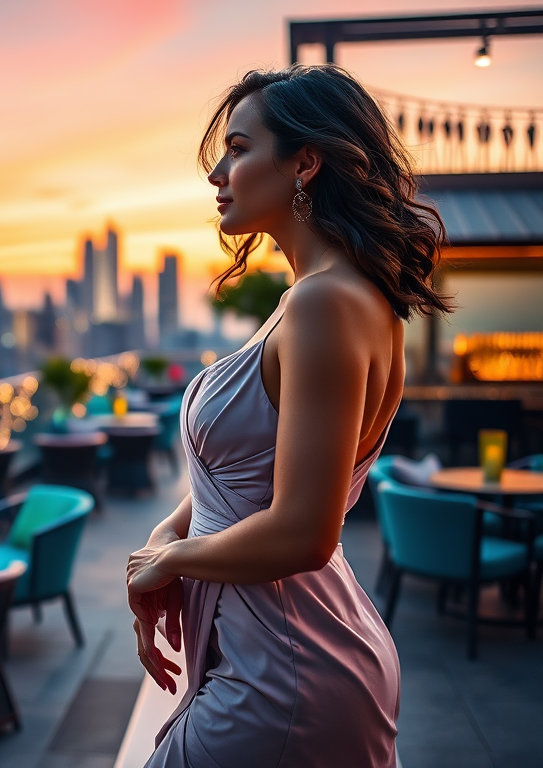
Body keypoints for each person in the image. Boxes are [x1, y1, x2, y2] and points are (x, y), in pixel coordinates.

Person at [125, 64, 452, 768]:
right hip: (285, 652)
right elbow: (241, 477)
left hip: (283, 675)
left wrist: (172, 562)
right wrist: (162, 539)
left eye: (239, 149)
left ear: (305, 162)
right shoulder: (323, 297)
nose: (218, 172)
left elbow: (305, 530)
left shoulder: (323, 304)